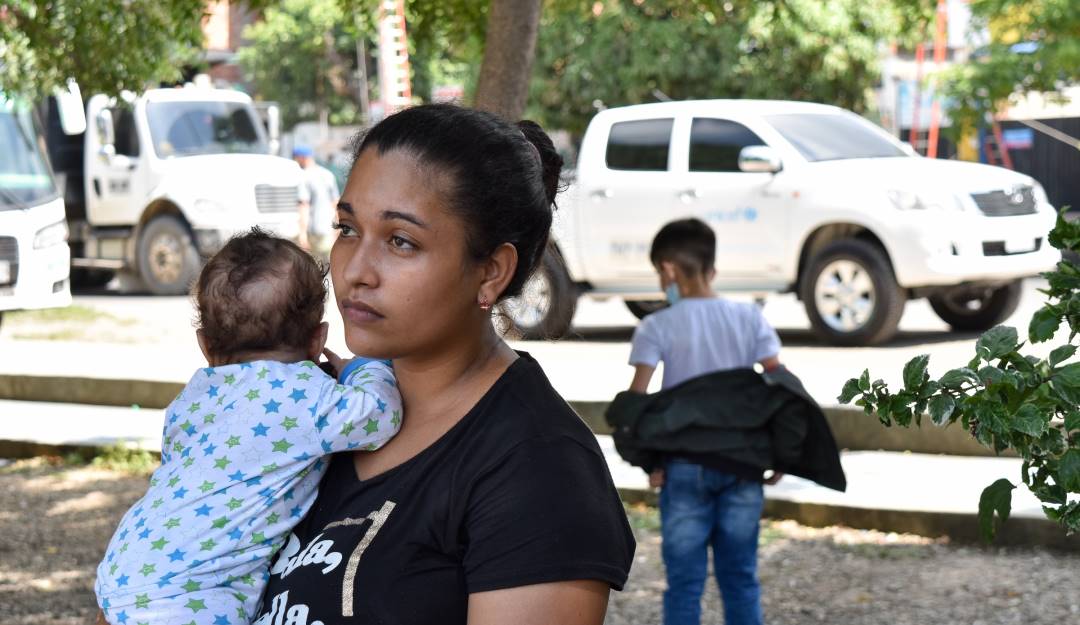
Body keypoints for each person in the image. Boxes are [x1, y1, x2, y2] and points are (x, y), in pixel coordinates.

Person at [252, 104, 636, 625]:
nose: (355, 271)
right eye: (347, 229)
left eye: (401, 241)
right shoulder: (314, 404)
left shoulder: (540, 469)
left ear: (491, 272)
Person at [94, 229, 402, 625]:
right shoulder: (305, 394)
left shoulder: (192, 399)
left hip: (129, 563)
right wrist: (363, 367)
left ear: (205, 345)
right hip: (195, 595)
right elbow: (380, 413)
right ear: (317, 341)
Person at [628, 218, 782, 625]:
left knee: (684, 585)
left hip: (683, 468)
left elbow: (636, 402)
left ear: (668, 269)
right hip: (743, 466)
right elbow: (782, 389)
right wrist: (784, 449)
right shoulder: (750, 319)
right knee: (741, 579)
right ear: (710, 266)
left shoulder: (656, 326)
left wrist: (649, 459)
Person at [293, 145, 341, 257]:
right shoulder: (328, 174)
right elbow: (335, 203)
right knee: (330, 265)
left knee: (316, 267)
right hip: (329, 229)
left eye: (296, 158)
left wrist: (302, 233)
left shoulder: (304, 176)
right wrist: (338, 227)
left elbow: (304, 206)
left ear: (302, 158)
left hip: (313, 230)